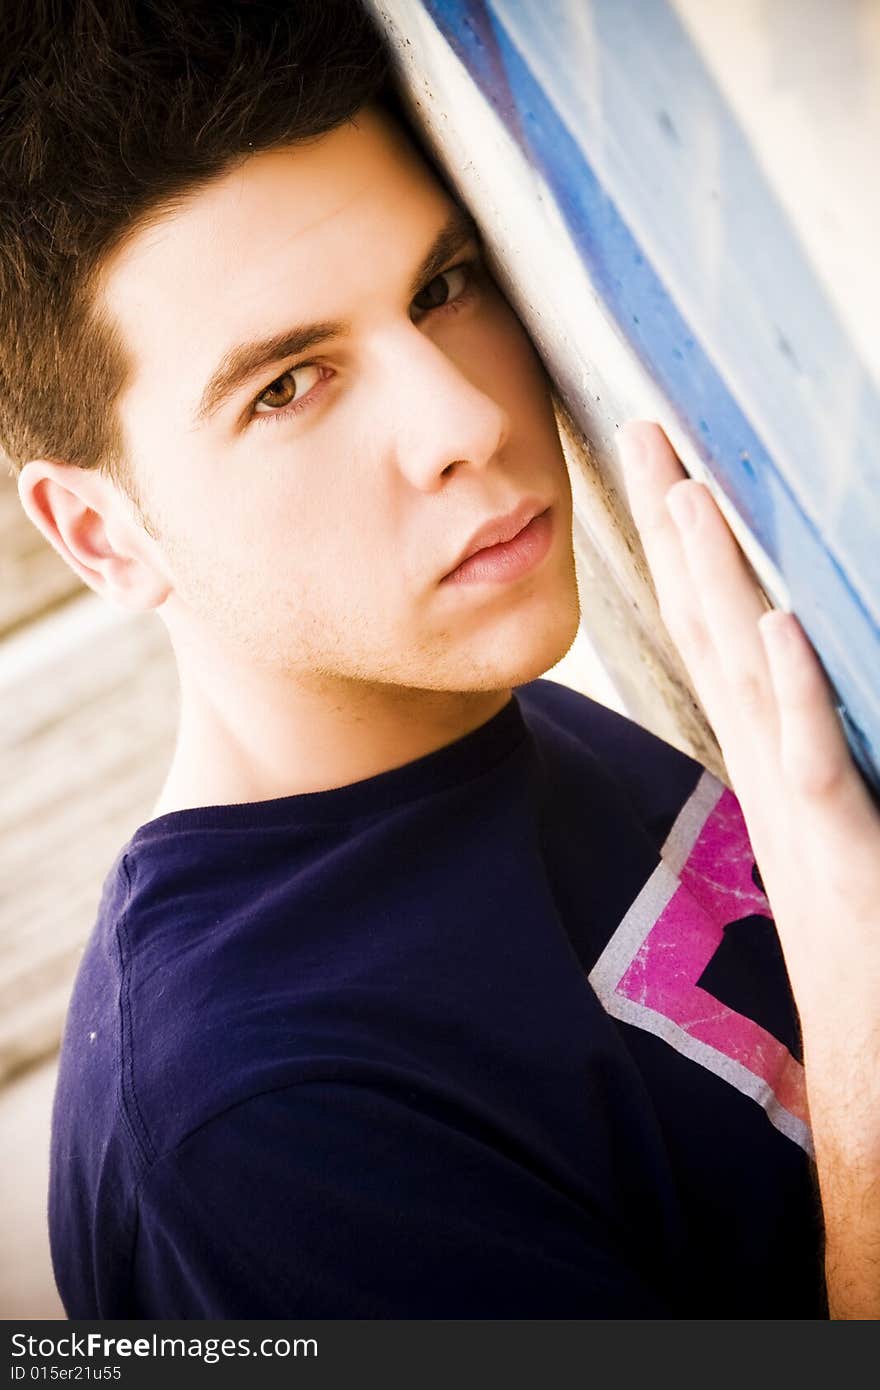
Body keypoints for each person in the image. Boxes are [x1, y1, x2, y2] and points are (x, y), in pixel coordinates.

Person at [4, 0, 878, 1319]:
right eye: (287, 385)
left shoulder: (484, 722)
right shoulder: (256, 1128)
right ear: (101, 533)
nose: (465, 417)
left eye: (441, 286)